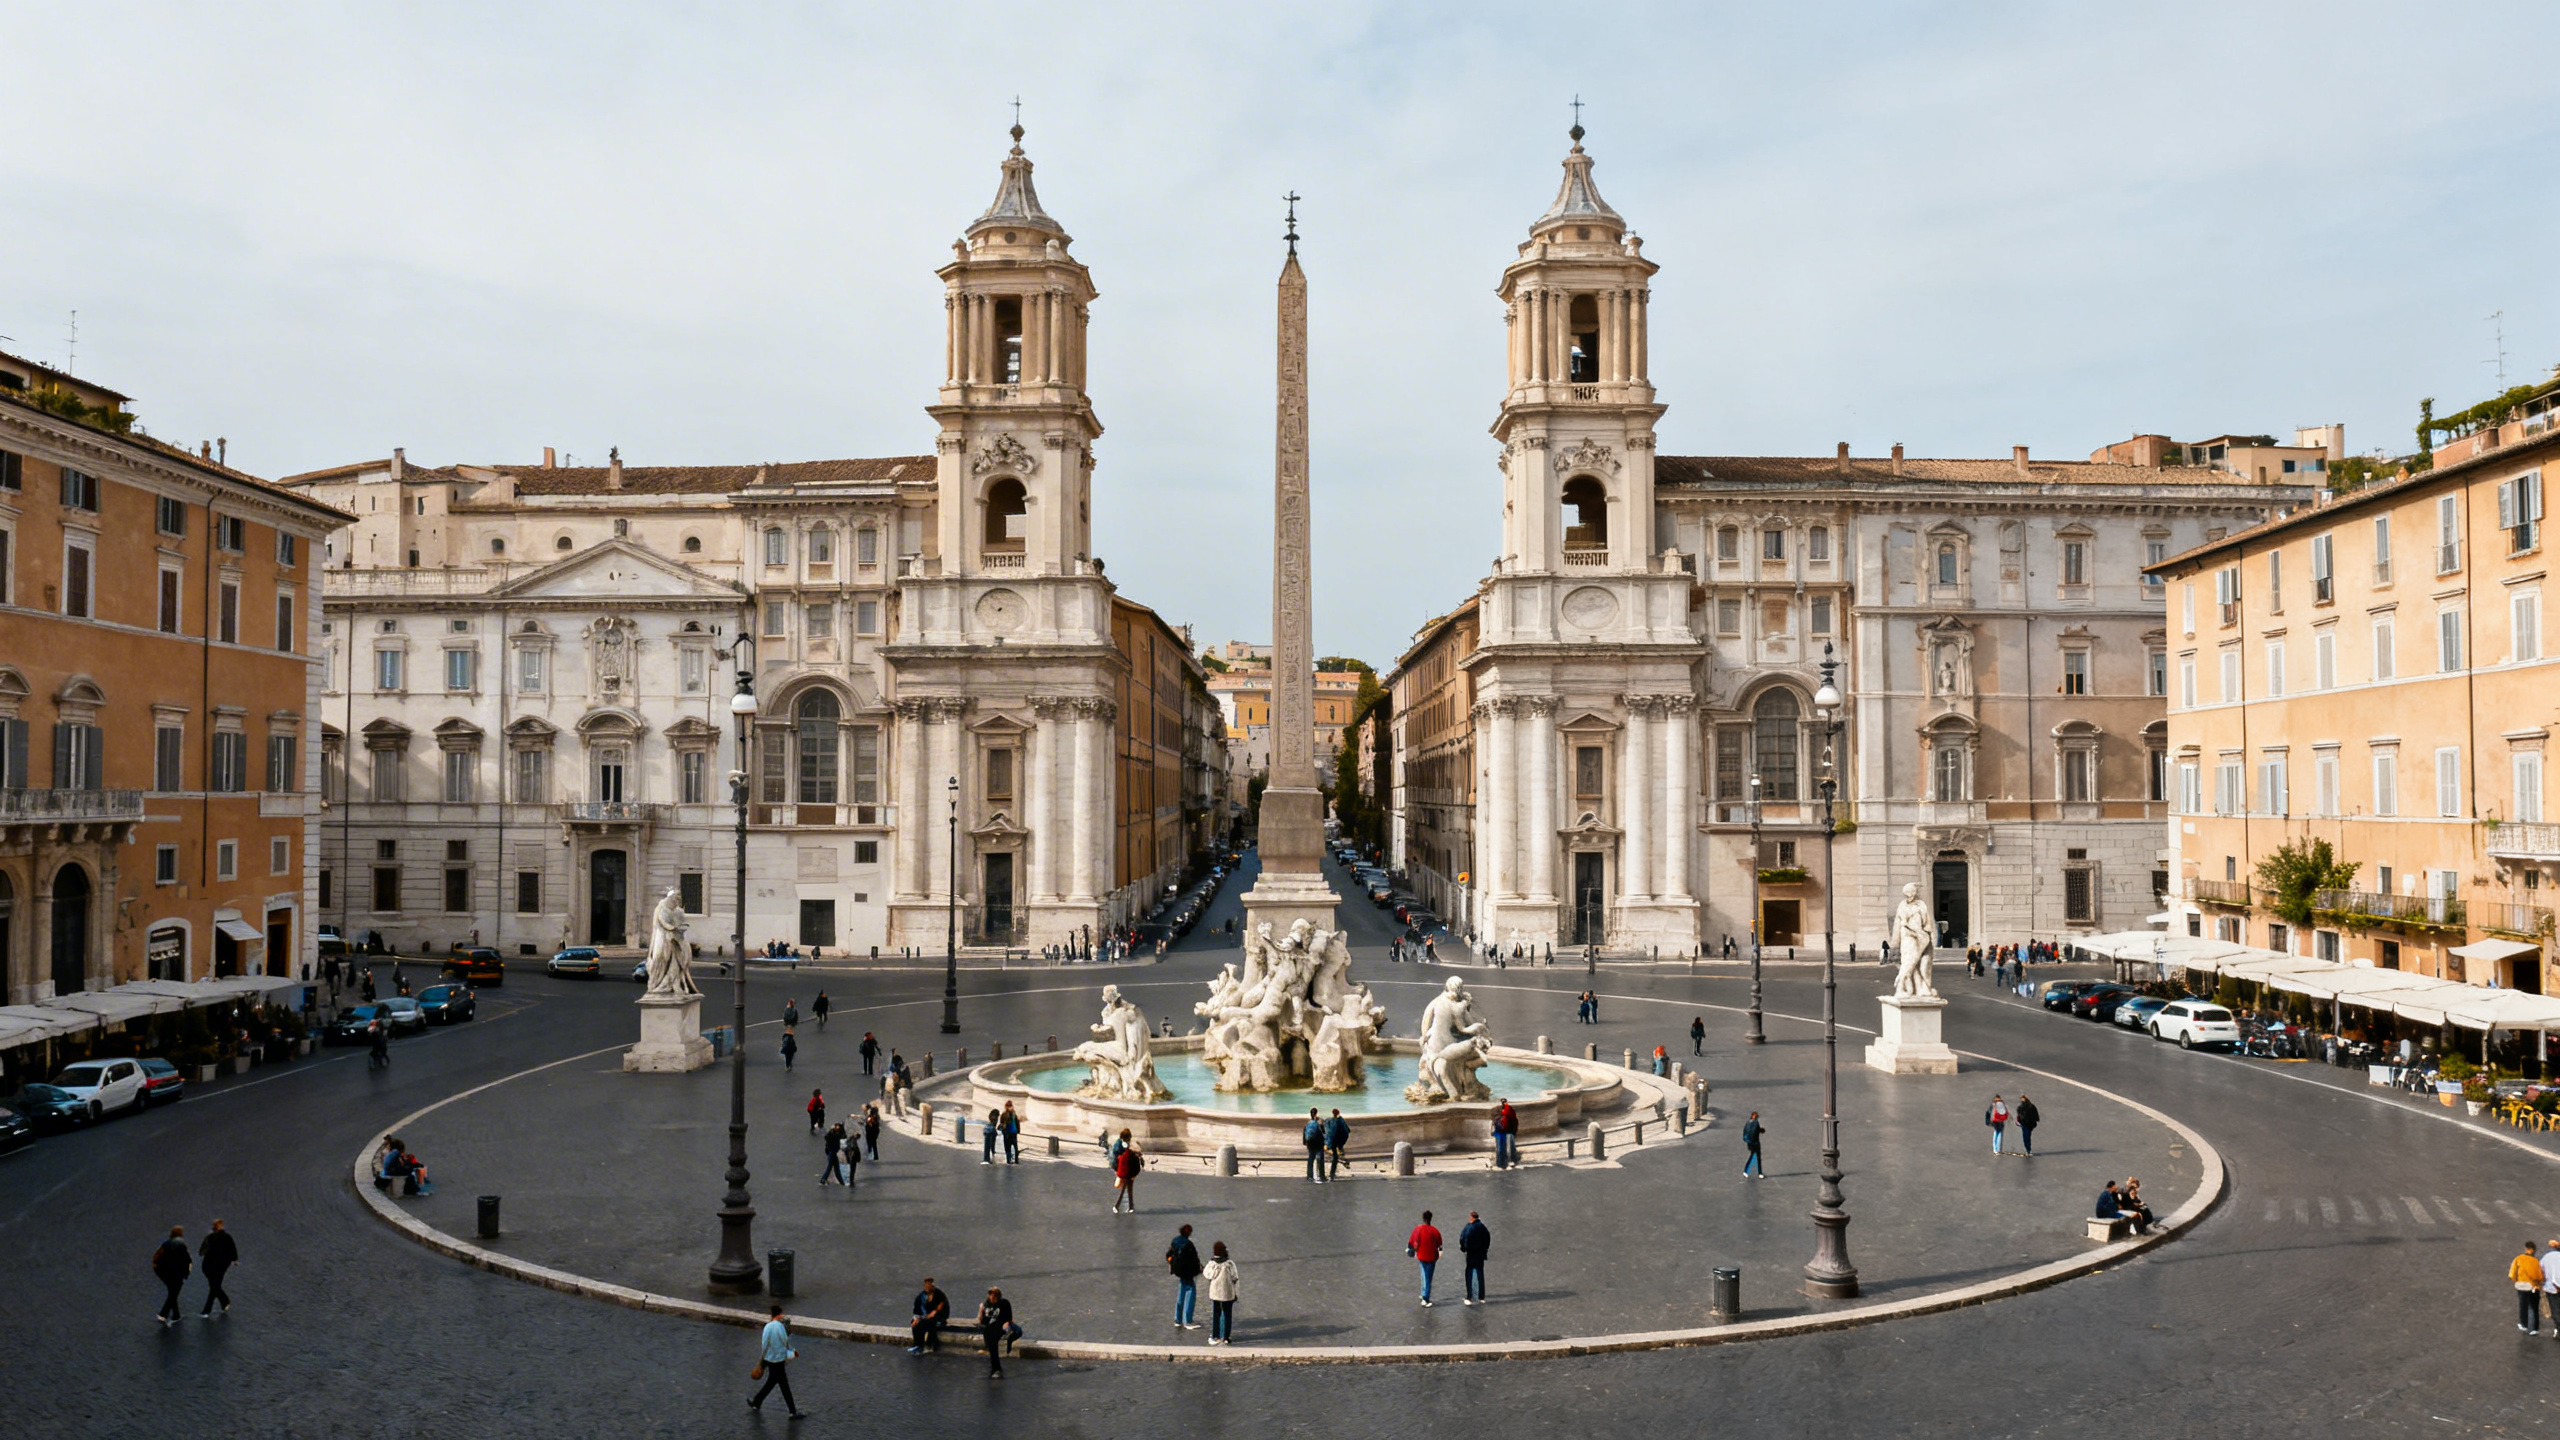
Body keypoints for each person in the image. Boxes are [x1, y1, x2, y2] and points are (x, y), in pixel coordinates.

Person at [749, 1305, 803, 1416]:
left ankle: (756, 1402)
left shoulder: (767, 1327)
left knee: (771, 1382)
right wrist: (792, 1352)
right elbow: (785, 1342)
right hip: (778, 1360)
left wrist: (762, 1361)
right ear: (779, 1314)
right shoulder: (780, 1327)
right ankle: (792, 1412)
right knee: (784, 1385)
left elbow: (764, 1345)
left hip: (769, 1359)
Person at [152, 1225, 192, 1326]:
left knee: (172, 1292)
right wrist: (186, 1272)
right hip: (177, 1274)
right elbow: (187, 1260)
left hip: (165, 1274)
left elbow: (157, 1257)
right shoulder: (181, 1245)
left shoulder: (166, 1244)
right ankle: (163, 1314)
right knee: (173, 1294)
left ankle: (176, 1315)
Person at [197, 1218, 238, 1318]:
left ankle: (209, 1309)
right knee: (215, 1286)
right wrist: (233, 1260)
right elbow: (233, 1251)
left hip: (208, 1266)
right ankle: (224, 1302)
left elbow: (201, 1251)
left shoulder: (210, 1237)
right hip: (221, 1266)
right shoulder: (228, 1237)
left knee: (214, 1286)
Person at [1166, 1222, 1203, 1330]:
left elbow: (1169, 1255)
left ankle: (1178, 1319)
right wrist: (1198, 1270)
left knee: (1181, 1294)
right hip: (1188, 1273)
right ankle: (1188, 1320)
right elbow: (1194, 1260)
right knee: (1191, 1293)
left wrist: (1172, 1264)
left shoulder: (1175, 1241)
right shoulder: (1189, 1245)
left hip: (1179, 1271)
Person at [1203, 1241, 1240, 1345]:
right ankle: (1226, 1337)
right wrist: (1236, 1293)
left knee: (1216, 1315)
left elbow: (1207, 1275)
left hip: (1216, 1294)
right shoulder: (1230, 1264)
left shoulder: (1212, 1263)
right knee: (1227, 1315)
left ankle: (1215, 1335)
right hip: (1228, 1294)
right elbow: (1235, 1278)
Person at [976, 1287, 1018, 1377]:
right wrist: (980, 1310)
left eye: (993, 1296)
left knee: (993, 1342)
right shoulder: (986, 1305)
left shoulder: (1004, 1303)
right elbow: (981, 1320)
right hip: (989, 1329)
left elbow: (1009, 1319)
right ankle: (995, 1368)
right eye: (990, 1295)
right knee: (990, 1337)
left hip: (1001, 1327)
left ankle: (997, 1369)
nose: (991, 1298)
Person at [1408, 1210, 1444, 1307]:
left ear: (1423, 1218)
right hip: (1432, 1257)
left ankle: (1423, 1293)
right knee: (1428, 1277)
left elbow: (1412, 1240)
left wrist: (1411, 1250)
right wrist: (1439, 1253)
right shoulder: (1435, 1231)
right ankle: (1425, 1298)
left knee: (1423, 1274)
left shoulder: (1418, 1229)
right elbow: (1439, 1244)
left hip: (1421, 1256)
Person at [1457, 1210, 1491, 1305]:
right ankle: (1481, 1296)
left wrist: (1464, 1248)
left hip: (1471, 1254)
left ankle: (1470, 1296)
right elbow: (1488, 1238)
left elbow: (1463, 1238)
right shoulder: (1482, 1227)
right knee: (1480, 1274)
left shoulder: (1469, 1227)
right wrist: (1485, 1249)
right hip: (1480, 1254)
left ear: (1471, 1217)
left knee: (1469, 1274)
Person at [909, 1278, 950, 1353]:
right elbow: (918, 1308)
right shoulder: (922, 1295)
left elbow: (942, 1305)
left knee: (926, 1323)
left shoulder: (939, 1294)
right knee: (915, 1324)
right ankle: (917, 1344)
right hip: (926, 1316)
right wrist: (916, 1317)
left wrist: (935, 1311)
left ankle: (928, 1344)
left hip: (938, 1316)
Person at [1113, 1137, 1144, 1214]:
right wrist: (1134, 1176)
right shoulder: (1133, 1157)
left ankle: (1117, 1206)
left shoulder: (1125, 1156)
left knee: (1123, 1192)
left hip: (1125, 1176)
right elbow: (1137, 1168)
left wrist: (1119, 1175)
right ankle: (1128, 1207)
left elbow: (1120, 1166)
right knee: (1129, 1192)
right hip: (1129, 1177)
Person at [819, 1122, 849, 1187]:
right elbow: (841, 1137)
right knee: (830, 1168)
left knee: (836, 1168)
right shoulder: (833, 1134)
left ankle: (841, 1182)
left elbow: (843, 1137)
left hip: (832, 1152)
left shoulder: (833, 1133)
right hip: (832, 1152)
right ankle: (823, 1180)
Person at [1492, 1098, 1519, 1169]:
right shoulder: (1509, 1110)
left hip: (1502, 1131)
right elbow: (1514, 1121)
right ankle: (1509, 1160)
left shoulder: (1502, 1111)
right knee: (1508, 1146)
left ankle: (1501, 1163)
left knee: (1501, 1147)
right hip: (1507, 1131)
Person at [1302, 1108, 1327, 1185]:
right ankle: (1321, 1176)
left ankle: (1309, 1176)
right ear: (1316, 1113)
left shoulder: (1308, 1124)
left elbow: (1304, 1133)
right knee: (1320, 1160)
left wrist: (1305, 1142)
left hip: (1310, 1144)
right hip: (1319, 1144)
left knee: (1310, 1159)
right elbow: (1324, 1133)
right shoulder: (1319, 1123)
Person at [1325, 1109, 1350, 1181]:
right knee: (1337, 1156)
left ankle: (1332, 1173)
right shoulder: (1340, 1121)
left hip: (1333, 1142)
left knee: (1335, 1157)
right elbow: (1346, 1131)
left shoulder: (1331, 1121)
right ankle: (1333, 1173)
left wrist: (1328, 1143)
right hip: (1338, 1142)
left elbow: (1329, 1132)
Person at [2014, 1093, 2040, 1157]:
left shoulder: (2021, 1107)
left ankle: (2028, 1150)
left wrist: (2019, 1121)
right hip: (2031, 1124)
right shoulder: (2032, 1106)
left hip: (2024, 1124)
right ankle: (2029, 1150)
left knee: (2025, 1137)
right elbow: (2036, 1115)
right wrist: (2036, 1121)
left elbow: (2019, 1116)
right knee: (2028, 1136)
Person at [1742, 1111, 1764, 1178]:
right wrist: (1762, 1130)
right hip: (1756, 1143)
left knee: (1752, 1156)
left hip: (1749, 1142)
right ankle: (1760, 1173)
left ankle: (1745, 1171)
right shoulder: (1756, 1123)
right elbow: (1757, 1131)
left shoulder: (1748, 1123)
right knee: (1758, 1157)